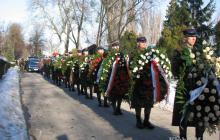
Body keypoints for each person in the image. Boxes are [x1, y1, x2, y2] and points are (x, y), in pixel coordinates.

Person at [171, 28, 205, 140]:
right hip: (185, 87)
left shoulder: (200, 51)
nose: (194, 38)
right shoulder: (179, 52)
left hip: (199, 87)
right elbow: (174, 70)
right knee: (183, 114)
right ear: (185, 38)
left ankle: (199, 137)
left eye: (195, 36)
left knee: (200, 113)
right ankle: (182, 137)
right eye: (191, 36)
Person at [130, 37, 155, 129]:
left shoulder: (150, 53)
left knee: (148, 102)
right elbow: (131, 66)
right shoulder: (134, 53)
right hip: (139, 82)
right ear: (138, 43)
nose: (144, 43)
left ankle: (146, 121)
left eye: (145, 42)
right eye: (142, 42)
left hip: (149, 81)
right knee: (138, 103)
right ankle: (138, 121)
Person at [105, 41, 130, 115]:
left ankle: (118, 108)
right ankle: (114, 109)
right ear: (112, 47)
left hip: (121, 78)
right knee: (113, 95)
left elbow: (126, 65)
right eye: (114, 46)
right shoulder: (109, 56)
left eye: (117, 46)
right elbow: (106, 68)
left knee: (120, 95)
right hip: (112, 79)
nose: (116, 48)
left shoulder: (122, 55)